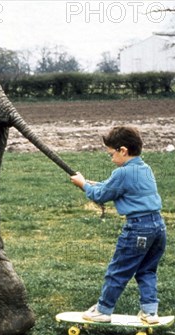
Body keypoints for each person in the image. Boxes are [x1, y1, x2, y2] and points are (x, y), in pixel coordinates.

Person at [70, 126, 166, 324]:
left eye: (111, 154)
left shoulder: (121, 173)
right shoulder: (145, 168)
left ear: (123, 150)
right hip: (158, 227)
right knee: (147, 270)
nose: (111, 158)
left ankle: (103, 310)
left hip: (138, 229)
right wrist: (91, 182)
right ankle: (150, 312)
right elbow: (110, 187)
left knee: (119, 269)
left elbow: (100, 195)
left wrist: (83, 184)